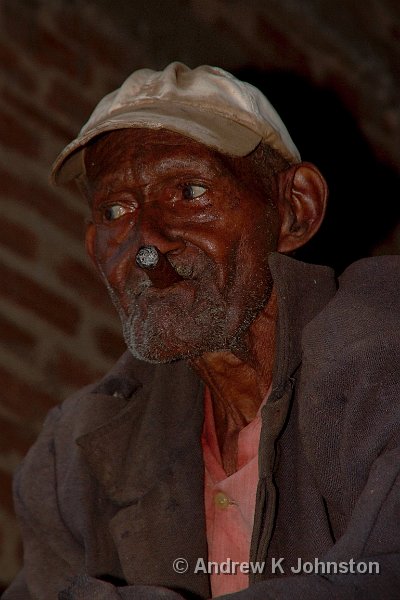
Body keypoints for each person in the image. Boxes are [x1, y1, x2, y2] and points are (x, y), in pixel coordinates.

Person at [3, 62, 399, 600]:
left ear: (294, 211)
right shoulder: (72, 457)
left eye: (189, 192)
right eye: (115, 210)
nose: (146, 245)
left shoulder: (384, 348)